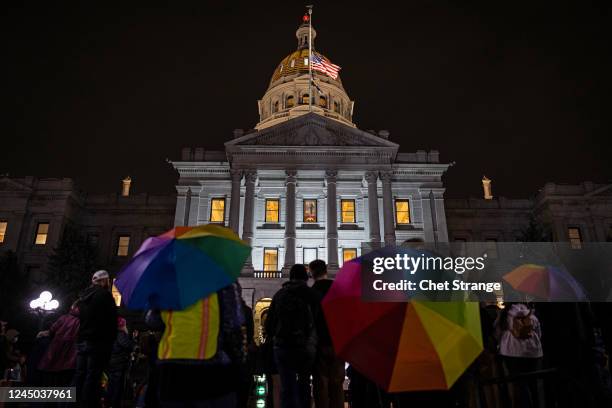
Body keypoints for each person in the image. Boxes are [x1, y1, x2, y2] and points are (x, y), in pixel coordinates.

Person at [146, 282, 246, 407]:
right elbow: (233, 323)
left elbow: (152, 320)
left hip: (171, 367)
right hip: (210, 369)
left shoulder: (169, 283)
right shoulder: (223, 284)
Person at [266, 264, 319, 408]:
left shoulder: (280, 294)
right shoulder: (311, 294)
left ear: (291, 277)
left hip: (283, 345)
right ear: (305, 277)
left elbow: (269, 324)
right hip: (304, 346)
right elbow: (318, 321)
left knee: (286, 386)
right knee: (304, 384)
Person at [72, 270, 118, 407]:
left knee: (79, 374)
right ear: (104, 281)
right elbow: (111, 321)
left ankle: (72, 403)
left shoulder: (83, 297)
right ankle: (86, 404)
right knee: (92, 376)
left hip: (82, 339)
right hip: (97, 342)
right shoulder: (105, 296)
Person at [308, 259, 344, 408]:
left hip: (319, 343)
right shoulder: (338, 290)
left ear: (311, 273)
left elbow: (309, 320)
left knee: (320, 385)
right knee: (337, 386)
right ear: (326, 271)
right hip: (338, 342)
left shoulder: (311, 293)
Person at [495, 302, 543, 408]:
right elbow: (539, 332)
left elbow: (498, 333)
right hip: (533, 353)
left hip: (511, 352)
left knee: (519, 383)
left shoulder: (505, 314)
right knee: (533, 383)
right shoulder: (530, 314)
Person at [37, 303, 80, 386]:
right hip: (72, 351)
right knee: (66, 377)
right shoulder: (82, 321)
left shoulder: (64, 317)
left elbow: (52, 329)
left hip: (56, 347)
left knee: (52, 374)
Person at [106, 317, 134, 408]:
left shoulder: (110, 333)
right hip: (118, 363)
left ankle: (108, 403)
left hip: (111, 361)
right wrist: (133, 341)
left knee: (111, 384)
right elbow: (127, 345)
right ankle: (115, 404)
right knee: (117, 386)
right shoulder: (120, 333)